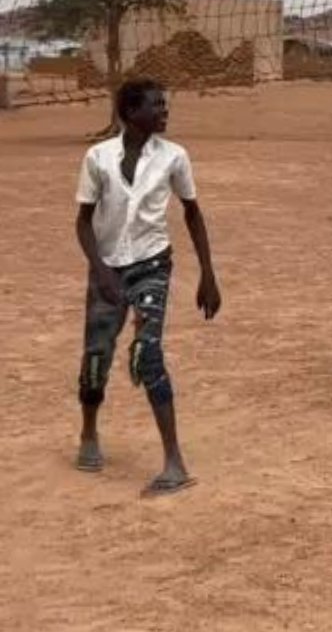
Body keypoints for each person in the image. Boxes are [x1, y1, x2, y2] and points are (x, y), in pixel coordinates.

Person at [75, 78, 222, 496]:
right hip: (107, 267)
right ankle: (89, 432)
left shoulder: (174, 156)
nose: (165, 111)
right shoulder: (98, 157)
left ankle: (174, 462)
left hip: (153, 264)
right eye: (157, 105)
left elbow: (193, 213)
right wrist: (99, 269)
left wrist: (208, 275)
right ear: (131, 112)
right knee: (96, 356)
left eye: (165, 104)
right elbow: (83, 223)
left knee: (148, 353)